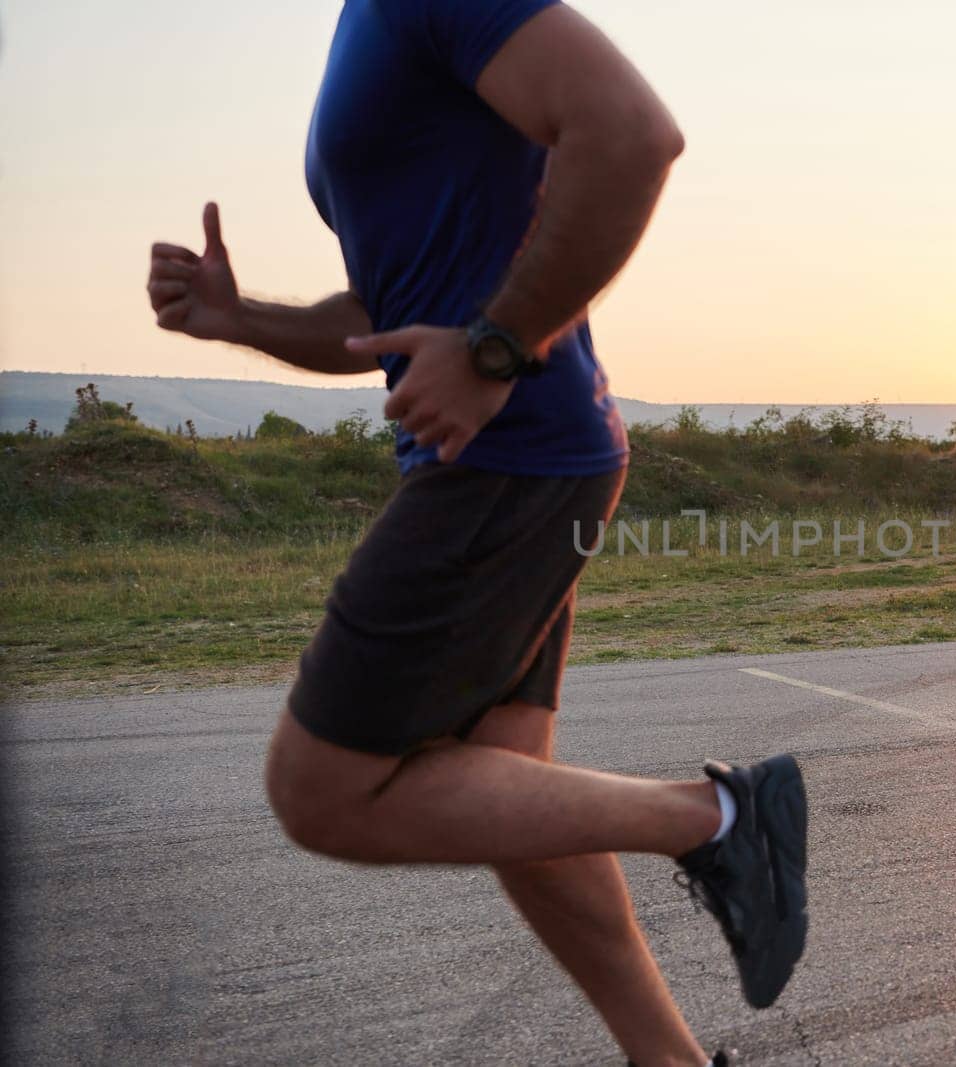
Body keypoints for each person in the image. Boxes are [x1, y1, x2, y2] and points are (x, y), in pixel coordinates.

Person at [145, 3, 805, 1062]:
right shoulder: (370, 27)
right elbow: (385, 309)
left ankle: (722, 815)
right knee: (510, 794)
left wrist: (498, 348)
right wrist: (240, 319)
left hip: (513, 456)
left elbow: (633, 132)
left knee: (322, 792)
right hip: (519, 456)